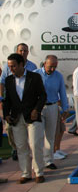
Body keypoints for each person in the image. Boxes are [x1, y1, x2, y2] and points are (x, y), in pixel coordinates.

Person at [3, 53, 47, 184]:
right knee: (21, 147)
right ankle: (26, 173)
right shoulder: (9, 80)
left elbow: (43, 96)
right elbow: (7, 100)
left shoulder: (34, 77)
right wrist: (6, 114)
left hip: (32, 117)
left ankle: (39, 172)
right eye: (9, 66)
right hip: (17, 118)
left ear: (22, 64)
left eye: (14, 66)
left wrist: (36, 110)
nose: (11, 69)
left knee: (35, 145)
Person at [0, 43, 37, 161]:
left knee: (28, 127)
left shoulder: (32, 66)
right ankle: (15, 148)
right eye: (21, 50)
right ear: (17, 51)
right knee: (10, 127)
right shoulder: (8, 66)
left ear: (28, 52)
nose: (23, 53)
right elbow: (2, 82)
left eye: (25, 51)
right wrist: (1, 98)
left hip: (28, 104)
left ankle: (28, 150)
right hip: (12, 103)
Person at [34, 55, 69, 170]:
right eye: (50, 67)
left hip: (52, 107)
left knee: (50, 135)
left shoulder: (58, 76)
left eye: (55, 67)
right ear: (45, 64)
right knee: (37, 136)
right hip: (38, 108)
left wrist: (65, 108)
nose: (53, 69)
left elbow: (62, 93)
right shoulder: (35, 74)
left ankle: (49, 160)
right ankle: (37, 163)